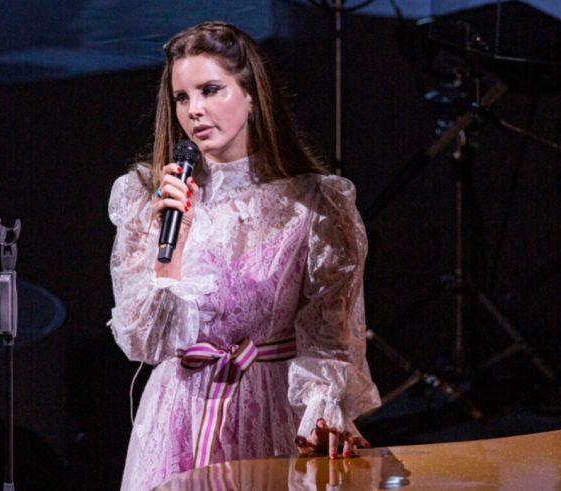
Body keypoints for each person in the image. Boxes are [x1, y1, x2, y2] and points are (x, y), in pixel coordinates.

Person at [108, 21, 380, 490]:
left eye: (211, 90)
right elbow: (144, 342)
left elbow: (330, 336)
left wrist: (322, 407)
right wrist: (167, 247)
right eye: (182, 97)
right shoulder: (146, 196)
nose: (195, 111)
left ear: (252, 96)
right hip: (178, 415)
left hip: (270, 413)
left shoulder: (314, 204)